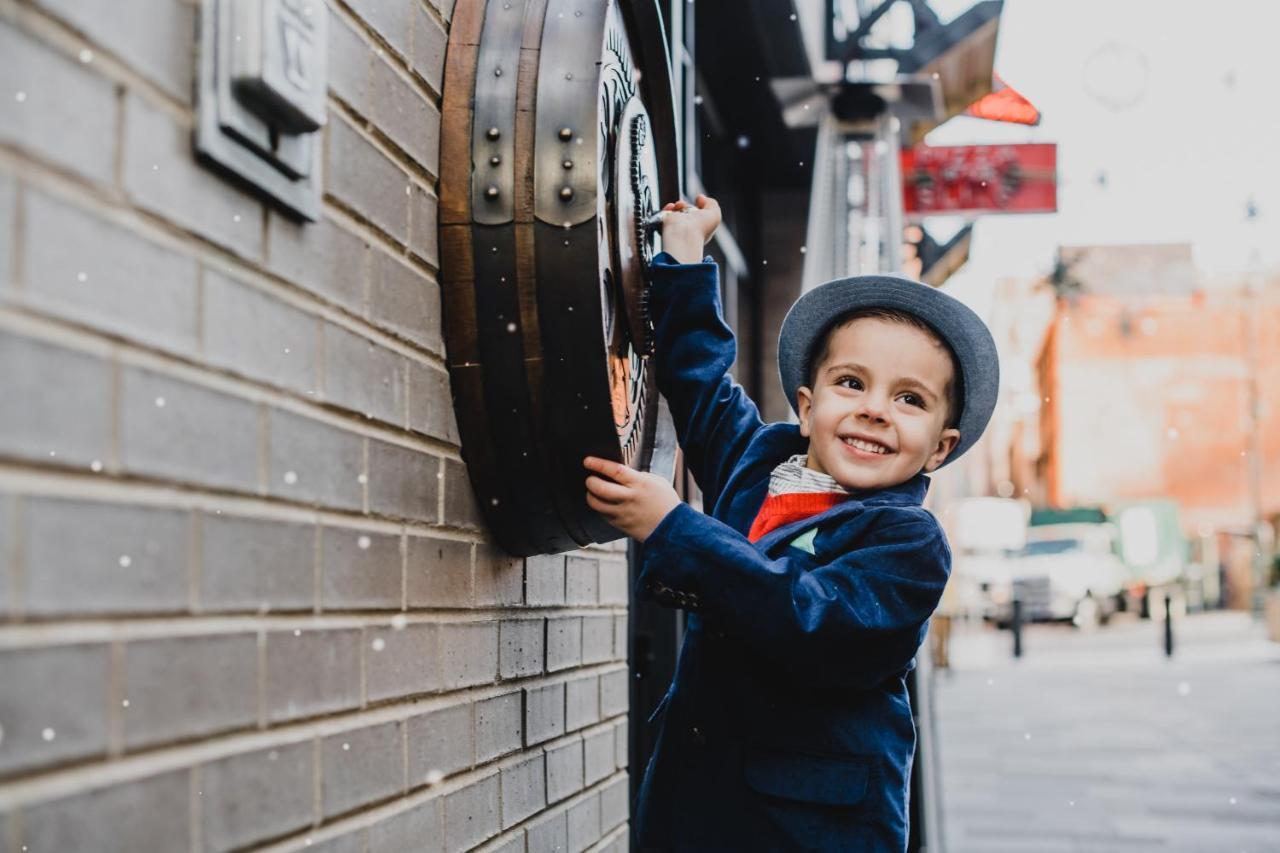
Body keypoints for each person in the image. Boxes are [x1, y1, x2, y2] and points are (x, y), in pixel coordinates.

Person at [582, 194, 999, 851]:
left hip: (810, 827)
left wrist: (673, 526)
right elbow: (700, 382)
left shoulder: (908, 543)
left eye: (909, 398)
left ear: (941, 446)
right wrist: (687, 253)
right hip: (698, 803)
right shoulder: (760, 466)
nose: (875, 410)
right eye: (851, 383)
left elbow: (809, 618)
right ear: (807, 407)